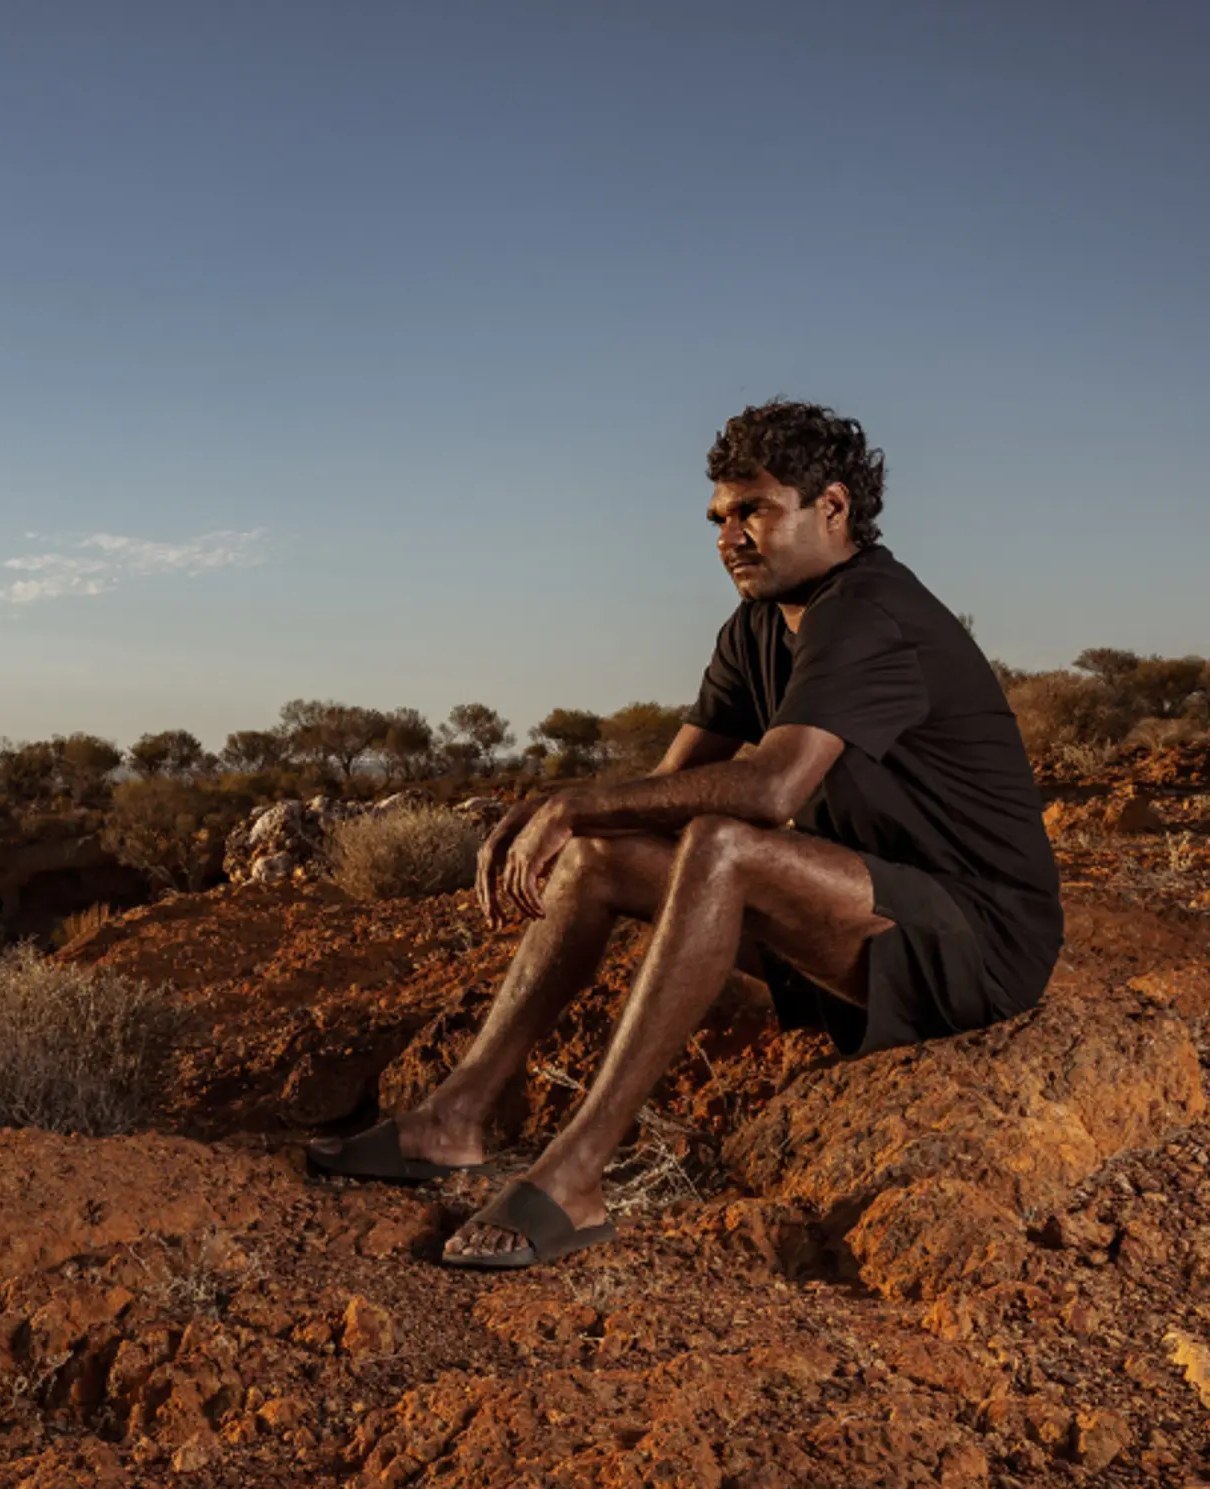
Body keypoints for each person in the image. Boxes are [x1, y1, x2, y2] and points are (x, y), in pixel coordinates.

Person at [307, 400, 1062, 1269]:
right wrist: (572, 816)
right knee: (599, 857)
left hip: (978, 941)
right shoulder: (756, 626)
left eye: (754, 512)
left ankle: (577, 1177)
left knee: (722, 844)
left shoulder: (870, 613)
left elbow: (771, 789)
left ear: (835, 508)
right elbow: (663, 793)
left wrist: (578, 800)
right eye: (719, 518)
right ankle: (454, 1118)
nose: (729, 536)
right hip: (864, 903)